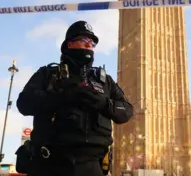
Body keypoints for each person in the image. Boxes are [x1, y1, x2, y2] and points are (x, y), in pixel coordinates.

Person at [15, 20, 133, 176]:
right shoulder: (48, 74)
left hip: (91, 166)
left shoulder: (105, 81)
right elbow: (24, 103)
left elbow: (126, 111)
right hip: (49, 163)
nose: (88, 46)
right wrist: (64, 96)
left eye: (91, 43)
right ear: (70, 44)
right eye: (84, 41)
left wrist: (103, 103)